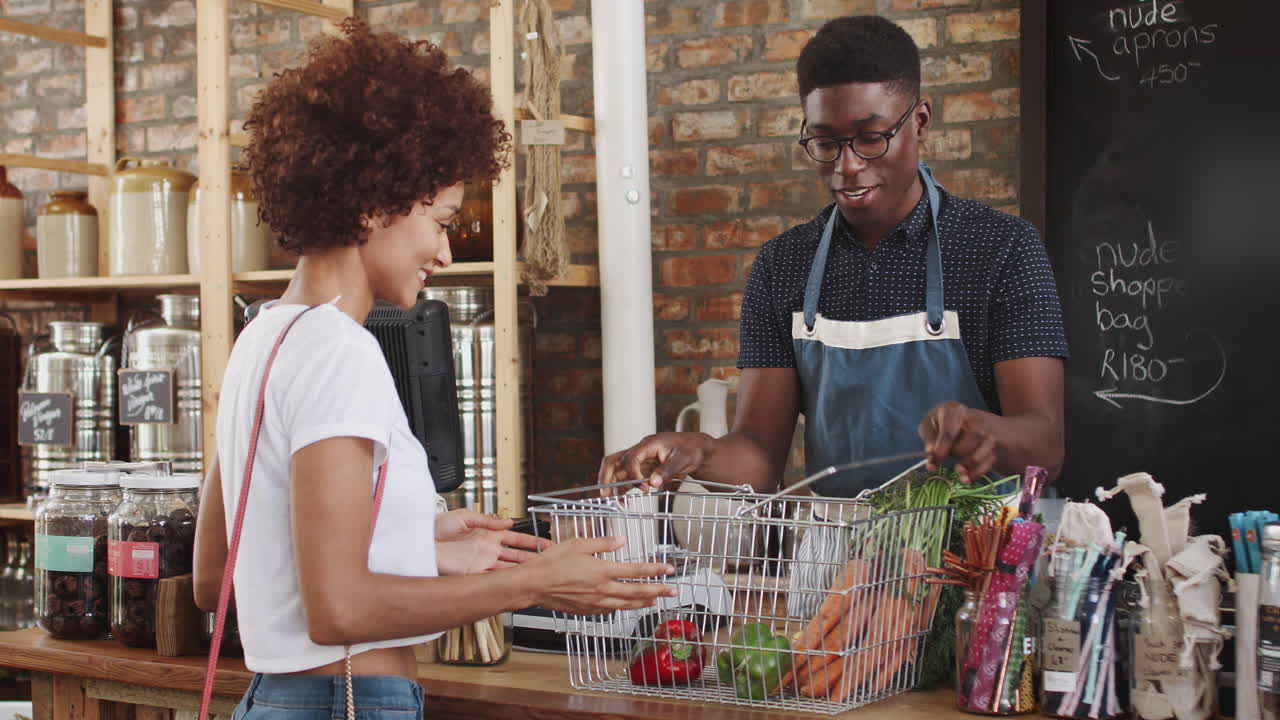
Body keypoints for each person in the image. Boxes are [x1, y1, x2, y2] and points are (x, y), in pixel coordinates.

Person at [192, 20, 675, 719]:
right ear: (372, 202)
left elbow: (215, 579)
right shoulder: (339, 351)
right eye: (441, 220)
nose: (445, 253)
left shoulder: (262, 340)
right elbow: (339, 611)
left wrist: (411, 542)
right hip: (349, 703)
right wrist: (535, 583)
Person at [600, 15, 1068, 497]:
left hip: (981, 556)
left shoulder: (1001, 248)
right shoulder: (783, 267)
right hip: (846, 562)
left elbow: (1047, 445)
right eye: (825, 143)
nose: (848, 166)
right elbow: (759, 459)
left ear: (921, 121)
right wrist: (700, 452)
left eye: (871, 138)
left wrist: (988, 431)